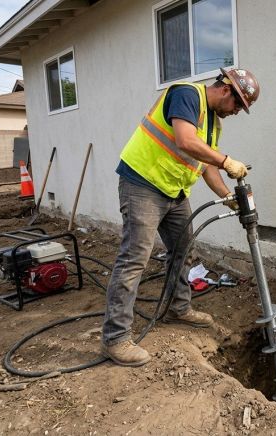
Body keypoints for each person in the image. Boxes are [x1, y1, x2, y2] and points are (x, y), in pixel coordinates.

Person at [101, 68, 260, 366]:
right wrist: (227, 161)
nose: (237, 112)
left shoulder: (214, 125)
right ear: (226, 90)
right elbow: (186, 141)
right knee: (135, 258)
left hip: (173, 192)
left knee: (184, 251)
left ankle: (179, 309)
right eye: (238, 104)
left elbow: (205, 165)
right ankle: (116, 338)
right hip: (142, 184)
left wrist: (228, 198)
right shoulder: (187, 94)